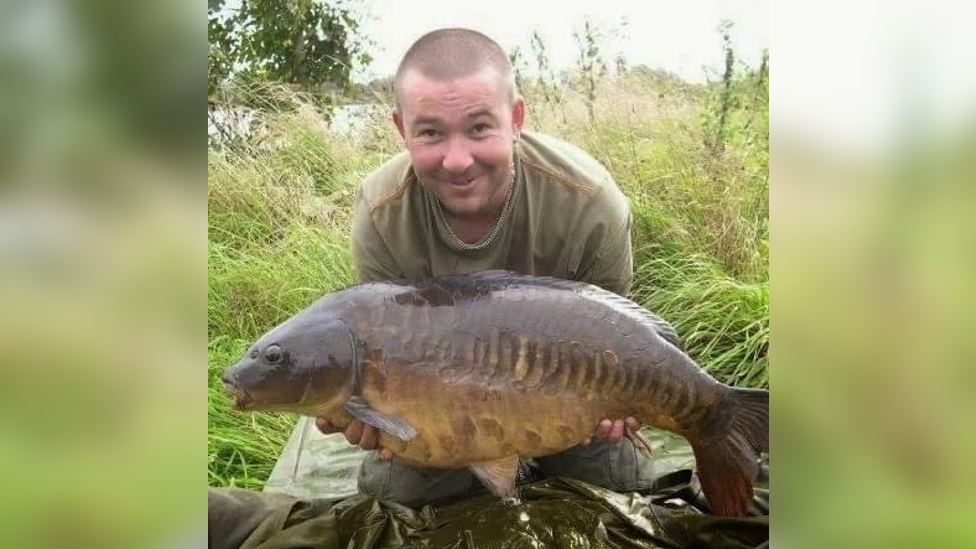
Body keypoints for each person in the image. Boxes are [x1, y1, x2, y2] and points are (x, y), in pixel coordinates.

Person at [313, 27, 654, 508]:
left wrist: (622, 403)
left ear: (516, 118)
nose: (457, 160)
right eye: (430, 132)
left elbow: (617, 334)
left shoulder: (590, 202)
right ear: (401, 129)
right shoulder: (381, 211)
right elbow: (381, 349)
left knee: (615, 489)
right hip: (439, 398)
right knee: (397, 495)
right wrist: (375, 414)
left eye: (479, 128)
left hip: (569, 399)